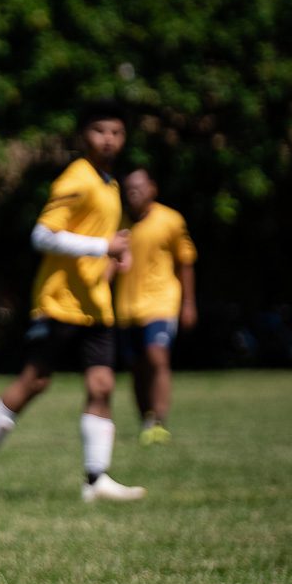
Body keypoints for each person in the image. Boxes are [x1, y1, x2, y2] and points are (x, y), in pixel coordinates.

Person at [0, 103, 146, 504]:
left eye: (116, 132)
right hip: (59, 301)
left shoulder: (111, 184)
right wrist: (102, 246)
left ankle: (96, 479)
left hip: (96, 304)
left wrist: (114, 257)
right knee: (35, 381)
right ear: (84, 136)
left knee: (102, 384)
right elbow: (42, 235)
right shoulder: (76, 179)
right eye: (99, 131)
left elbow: (100, 241)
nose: (108, 139)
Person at [116, 167, 196, 445]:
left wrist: (188, 303)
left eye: (138, 187)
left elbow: (185, 261)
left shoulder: (170, 220)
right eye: (128, 188)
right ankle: (146, 421)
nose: (133, 192)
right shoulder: (119, 222)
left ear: (153, 189)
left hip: (162, 301)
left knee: (156, 357)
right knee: (137, 367)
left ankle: (159, 420)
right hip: (126, 306)